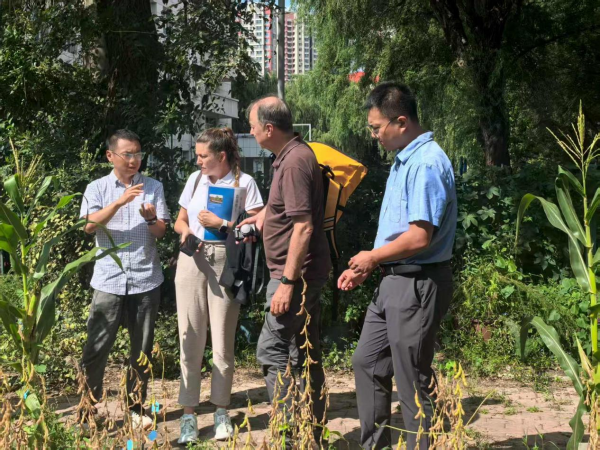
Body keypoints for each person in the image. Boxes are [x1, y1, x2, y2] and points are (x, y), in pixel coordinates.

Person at [338, 82, 457, 450]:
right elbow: (398, 232)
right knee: (368, 361)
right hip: (394, 280)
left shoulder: (426, 163)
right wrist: (370, 265)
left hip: (417, 282)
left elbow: (419, 237)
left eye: (377, 128)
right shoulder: (405, 160)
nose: (374, 135)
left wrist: (373, 257)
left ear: (401, 122)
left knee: (411, 380)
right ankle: (375, 445)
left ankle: (427, 445)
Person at [238, 95, 332, 443]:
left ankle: (288, 435)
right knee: (303, 351)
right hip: (300, 274)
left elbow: (303, 226)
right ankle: (312, 433)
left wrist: (288, 283)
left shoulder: (293, 163)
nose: (250, 132)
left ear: (268, 128)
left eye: (252, 126)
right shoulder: (292, 156)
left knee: (271, 350)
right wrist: (264, 217)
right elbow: (290, 208)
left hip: (294, 276)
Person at [174, 128, 264, 443]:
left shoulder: (245, 183)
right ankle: (188, 415)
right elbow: (180, 220)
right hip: (191, 259)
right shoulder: (194, 180)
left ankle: (221, 412)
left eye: (203, 156)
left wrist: (223, 224)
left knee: (223, 343)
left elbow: (257, 226)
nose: (198, 161)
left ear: (221, 156)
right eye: (197, 156)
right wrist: (185, 231)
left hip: (226, 260)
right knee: (190, 338)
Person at [79, 129, 170, 430]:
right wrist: (120, 202)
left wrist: (150, 218)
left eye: (138, 154)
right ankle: (88, 408)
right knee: (96, 347)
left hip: (145, 279)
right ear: (110, 156)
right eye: (127, 154)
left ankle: (136, 406)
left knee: (141, 349)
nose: (134, 160)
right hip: (109, 280)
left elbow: (161, 232)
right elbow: (88, 226)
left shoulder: (153, 186)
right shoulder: (97, 188)